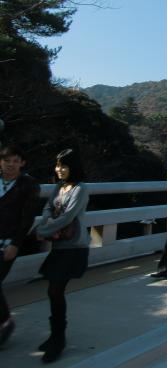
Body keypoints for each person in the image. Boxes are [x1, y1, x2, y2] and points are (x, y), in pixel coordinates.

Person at [35, 149, 90, 363]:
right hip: (59, 246)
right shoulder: (59, 186)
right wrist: (45, 223)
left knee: (55, 289)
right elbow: (48, 208)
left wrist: (43, 231)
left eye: (64, 166)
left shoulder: (80, 188)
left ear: (73, 167)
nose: (59, 170)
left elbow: (69, 216)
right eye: (57, 165)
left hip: (74, 247)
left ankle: (58, 338)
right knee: (53, 291)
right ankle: (56, 335)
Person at [0, 145, 41, 346]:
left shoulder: (28, 184)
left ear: (22, 163)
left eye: (15, 161)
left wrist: (16, 244)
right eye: (7, 160)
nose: (11, 165)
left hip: (8, 243)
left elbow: (27, 218)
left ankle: (6, 321)